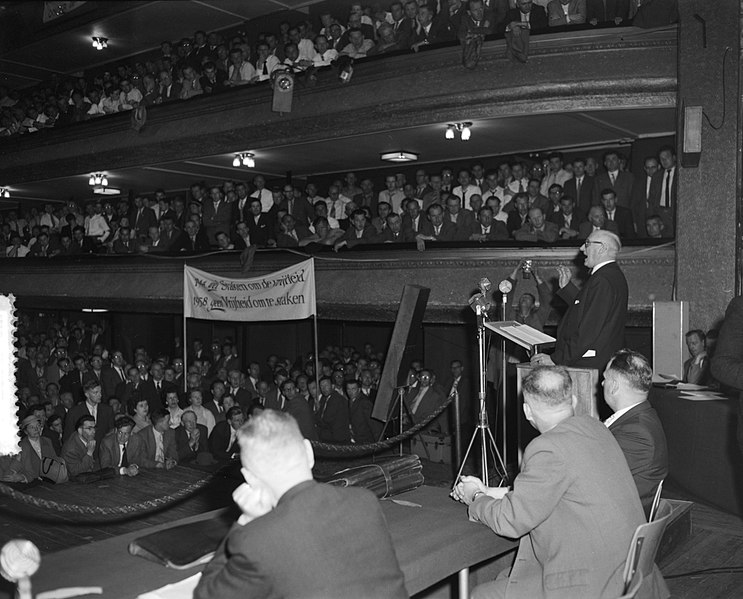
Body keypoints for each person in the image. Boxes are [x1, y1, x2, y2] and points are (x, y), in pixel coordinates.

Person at [452, 366, 663, 599]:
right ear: (572, 400)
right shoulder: (595, 428)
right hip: (624, 573)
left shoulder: (547, 448)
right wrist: (491, 491)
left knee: (481, 594)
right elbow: (559, 487)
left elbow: (510, 521)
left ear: (527, 411)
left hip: (591, 585)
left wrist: (475, 497)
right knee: (505, 576)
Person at [194, 410, 407, 599]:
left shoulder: (256, 539)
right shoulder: (365, 501)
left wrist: (245, 521)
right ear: (309, 452)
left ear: (250, 478)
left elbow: (206, 595)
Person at [532, 230, 627, 373]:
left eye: (587, 243)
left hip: (588, 364)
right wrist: (567, 288)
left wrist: (556, 359)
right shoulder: (611, 275)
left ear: (602, 248)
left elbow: (588, 330)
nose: (582, 248)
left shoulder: (602, 280)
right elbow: (591, 309)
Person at [603, 349, 669, 516]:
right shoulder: (640, 417)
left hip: (616, 521)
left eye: (605, 379)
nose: (602, 384)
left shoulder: (636, 432)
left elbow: (595, 479)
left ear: (614, 386)